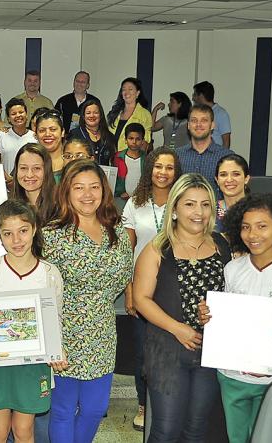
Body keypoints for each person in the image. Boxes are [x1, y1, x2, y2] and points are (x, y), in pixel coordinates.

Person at [132, 174, 230, 443]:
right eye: (189, 204)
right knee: (166, 431)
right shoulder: (157, 249)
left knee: (197, 430)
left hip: (210, 351)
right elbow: (141, 299)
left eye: (205, 204)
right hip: (167, 349)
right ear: (174, 209)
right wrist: (178, 329)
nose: (198, 212)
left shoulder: (221, 245)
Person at [205, 193, 272, 443]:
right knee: (237, 437)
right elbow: (226, 321)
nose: (253, 235)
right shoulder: (232, 269)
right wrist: (210, 315)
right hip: (233, 377)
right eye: (245, 227)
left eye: (262, 226)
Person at [42, 160, 133, 443]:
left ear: (104, 191)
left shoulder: (118, 233)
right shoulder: (51, 235)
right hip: (64, 332)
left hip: (103, 331)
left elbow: (125, 277)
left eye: (94, 187)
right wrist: (52, 341)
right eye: (78, 188)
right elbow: (42, 290)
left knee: (96, 409)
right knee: (63, 410)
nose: (87, 194)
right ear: (66, 192)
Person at [0, 200, 64, 443]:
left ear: (35, 229)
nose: (16, 240)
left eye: (23, 231)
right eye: (8, 233)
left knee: (23, 431)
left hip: (33, 366)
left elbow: (55, 319)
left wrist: (58, 350)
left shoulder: (50, 273)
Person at [120, 147, 182, 430]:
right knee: (144, 351)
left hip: (175, 286)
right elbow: (126, 250)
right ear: (150, 169)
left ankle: (170, 401)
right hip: (142, 286)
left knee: (171, 346)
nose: (163, 173)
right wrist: (130, 288)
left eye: (169, 168)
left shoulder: (183, 202)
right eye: (158, 167)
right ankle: (143, 404)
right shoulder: (135, 203)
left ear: (176, 172)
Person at [176, 104, 233, 197]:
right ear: (188, 125)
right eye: (194, 120)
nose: (198, 124)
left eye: (204, 120)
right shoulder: (177, 155)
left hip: (216, 211)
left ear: (212, 125)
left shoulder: (227, 157)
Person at [11, 142, 58, 223]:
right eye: (23, 168)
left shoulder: (60, 206)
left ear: (46, 170)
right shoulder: (9, 207)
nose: (29, 175)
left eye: (36, 168)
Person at [0, 98, 36, 182]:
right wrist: (6, 177)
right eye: (13, 113)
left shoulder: (34, 137)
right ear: (8, 119)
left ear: (26, 115)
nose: (18, 115)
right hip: (6, 184)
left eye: (21, 112)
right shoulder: (1, 135)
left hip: (29, 182)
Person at [106, 78, 152, 152]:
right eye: (124, 89)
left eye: (130, 89)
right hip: (111, 157)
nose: (126, 92)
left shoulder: (144, 114)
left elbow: (145, 142)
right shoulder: (115, 112)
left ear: (137, 93)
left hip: (131, 158)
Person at [68, 98, 115, 167]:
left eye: (95, 113)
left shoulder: (109, 136)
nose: (92, 116)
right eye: (88, 113)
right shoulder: (75, 134)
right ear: (83, 116)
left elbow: (113, 160)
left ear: (100, 115)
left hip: (103, 176)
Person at [193, 81, 231, 148]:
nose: (193, 98)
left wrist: (223, 157)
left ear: (201, 96)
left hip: (216, 156)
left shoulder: (221, 113)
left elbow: (226, 141)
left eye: (195, 95)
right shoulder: (197, 113)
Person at [114, 123, 148, 198]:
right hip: (121, 198)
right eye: (131, 138)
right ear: (125, 140)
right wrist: (120, 193)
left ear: (143, 141)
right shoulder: (117, 157)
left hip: (141, 198)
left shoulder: (147, 159)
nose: (134, 142)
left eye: (138, 139)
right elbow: (113, 180)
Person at [215, 153, 250, 223]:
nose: (229, 180)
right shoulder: (209, 210)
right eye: (223, 175)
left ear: (246, 179)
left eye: (236, 174)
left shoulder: (258, 209)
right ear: (217, 180)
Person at [34, 109, 66, 181]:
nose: (47, 134)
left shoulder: (73, 159)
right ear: (36, 135)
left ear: (62, 132)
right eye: (42, 130)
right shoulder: (29, 159)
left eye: (53, 129)